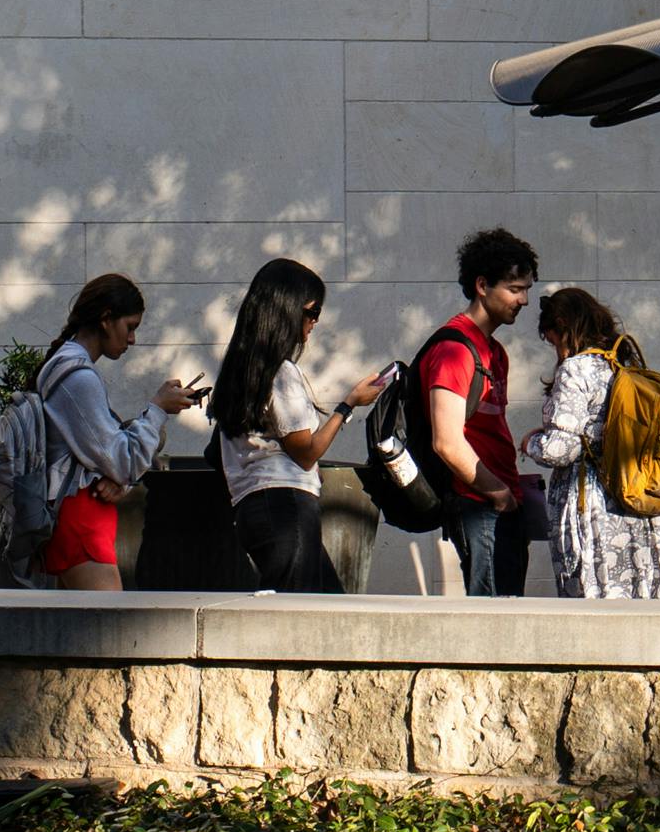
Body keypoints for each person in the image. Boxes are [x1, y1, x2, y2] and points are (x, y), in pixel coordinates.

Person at [206, 255, 379, 594]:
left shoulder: (240, 372)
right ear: (288, 309)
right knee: (293, 619)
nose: (315, 322)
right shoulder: (281, 374)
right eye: (312, 312)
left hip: (255, 507)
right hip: (285, 506)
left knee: (325, 607)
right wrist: (348, 404)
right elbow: (305, 453)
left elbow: (215, 452)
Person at [28, 274, 200, 593]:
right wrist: (158, 408)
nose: (132, 339)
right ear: (106, 319)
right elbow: (122, 460)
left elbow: (106, 456)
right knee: (112, 633)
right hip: (81, 519)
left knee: (82, 635)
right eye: (130, 326)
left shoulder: (64, 364)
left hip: (75, 514)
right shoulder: (79, 377)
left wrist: (114, 476)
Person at [519, 287, 660, 601]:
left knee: (598, 600)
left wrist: (532, 444)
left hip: (596, 504)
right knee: (643, 597)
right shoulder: (624, 366)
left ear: (562, 329)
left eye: (552, 339)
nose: (554, 348)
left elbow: (562, 449)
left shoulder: (575, 370)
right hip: (638, 497)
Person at [419, 226, 539, 596]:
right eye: (515, 289)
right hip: (479, 504)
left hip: (499, 502)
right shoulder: (455, 350)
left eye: (527, 290)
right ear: (482, 285)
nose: (524, 301)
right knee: (492, 622)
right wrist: (498, 492)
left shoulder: (493, 351)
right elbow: (447, 442)